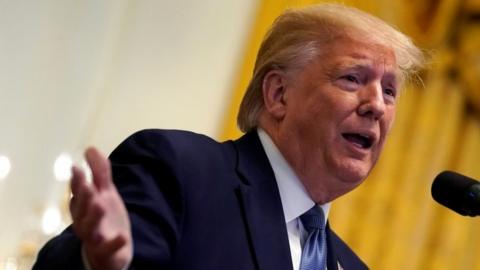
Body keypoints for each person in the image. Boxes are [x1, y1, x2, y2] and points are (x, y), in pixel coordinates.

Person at [33, 3, 424, 270]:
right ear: (278, 94)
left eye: (390, 91)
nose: (377, 105)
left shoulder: (350, 265)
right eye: (352, 78)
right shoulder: (180, 171)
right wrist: (95, 263)